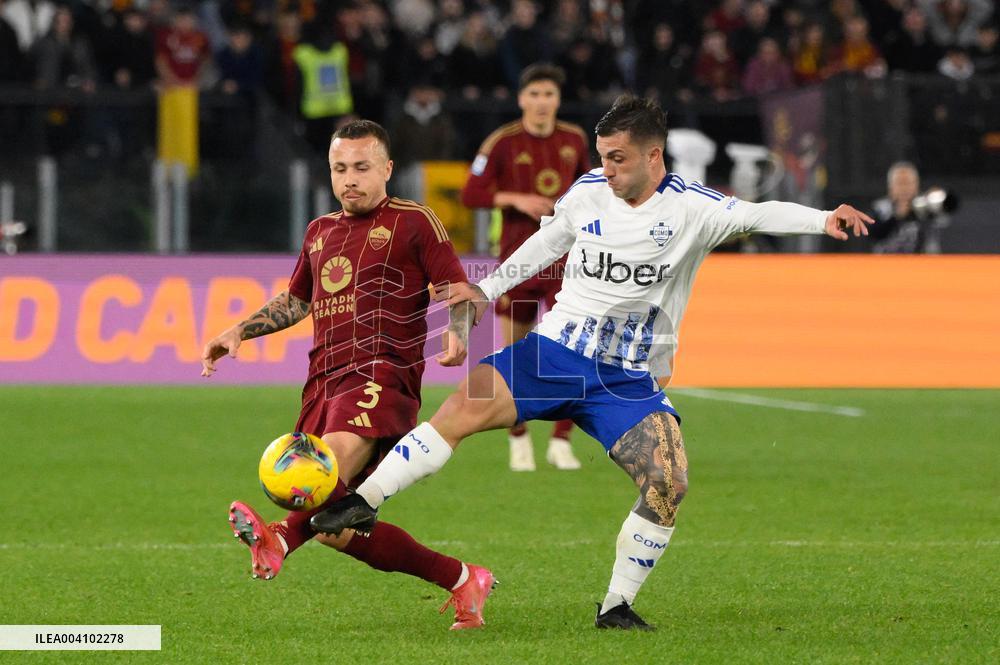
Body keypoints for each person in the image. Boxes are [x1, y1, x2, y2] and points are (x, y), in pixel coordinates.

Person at [309, 96, 875, 630]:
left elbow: (759, 211)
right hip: (554, 352)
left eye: (618, 159)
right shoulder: (588, 192)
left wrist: (823, 218)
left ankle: (616, 606)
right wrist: (486, 291)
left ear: (654, 156)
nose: (607, 169)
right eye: (603, 157)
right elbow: (545, 244)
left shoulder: (694, 208)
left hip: (623, 376)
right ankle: (362, 502)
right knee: (461, 409)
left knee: (668, 481)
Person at [201, 120, 495, 631]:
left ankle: (279, 539)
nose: (349, 179)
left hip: (382, 371)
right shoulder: (320, 231)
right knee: (333, 526)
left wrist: (458, 330)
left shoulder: (414, 221)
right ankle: (464, 578)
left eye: (361, 167)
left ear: (387, 169)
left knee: (325, 464)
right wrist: (240, 330)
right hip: (323, 380)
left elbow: (458, 290)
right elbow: (297, 301)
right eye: (339, 169)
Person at [460, 62, 590, 472]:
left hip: (566, 263)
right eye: (534, 94)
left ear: (558, 99)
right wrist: (515, 199)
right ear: (521, 99)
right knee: (517, 355)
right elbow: (471, 193)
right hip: (517, 264)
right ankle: (518, 438)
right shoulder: (502, 142)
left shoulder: (574, 139)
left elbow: (593, 189)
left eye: (548, 94)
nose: (541, 102)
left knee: (574, 351)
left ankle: (561, 441)